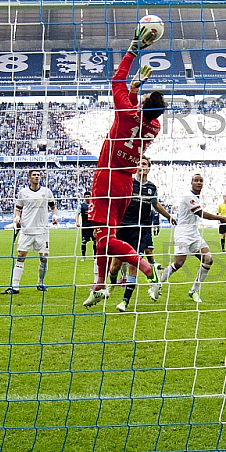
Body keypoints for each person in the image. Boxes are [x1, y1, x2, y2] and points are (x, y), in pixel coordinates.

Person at [82, 25, 166, 308]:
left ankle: (148, 269)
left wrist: (132, 51)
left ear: (143, 105)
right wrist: (134, 92)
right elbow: (138, 117)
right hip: (126, 185)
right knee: (102, 238)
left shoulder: (127, 114)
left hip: (106, 179)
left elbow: (116, 79)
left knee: (106, 241)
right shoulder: (154, 127)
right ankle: (99, 286)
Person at [149, 174, 226, 304]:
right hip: (183, 234)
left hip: (194, 234)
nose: (198, 183)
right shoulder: (188, 197)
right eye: (196, 180)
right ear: (191, 183)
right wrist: (222, 218)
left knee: (208, 259)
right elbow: (201, 213)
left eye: (201, 181)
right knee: (178, 263)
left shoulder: (196, 198)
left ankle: (194, 291)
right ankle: (157, 283)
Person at [108, 157, 175, 312]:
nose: (141, 166)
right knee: (115, 265)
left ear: (149, 168)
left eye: (144, 164)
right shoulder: (129, 183)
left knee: (134, 264)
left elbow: (155, 204)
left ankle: (125, 301)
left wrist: (168, 216)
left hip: (140, 230)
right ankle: (111, 284)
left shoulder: (151, 187)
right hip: (124, 228)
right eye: (139, 164)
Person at [2, 169, 57, 294]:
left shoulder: (46, 192)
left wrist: (54, 216)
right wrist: (17, 218)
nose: (37, 177)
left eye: (38, 175)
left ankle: (40, 283)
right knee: (21, 256)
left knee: (44, 258)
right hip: (27, 230)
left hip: (42, 230)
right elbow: (18, 209)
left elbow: (53, 207)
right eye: (34, 175)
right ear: (29, 178)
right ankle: (15, 286)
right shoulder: (23, 193)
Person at [77, 191, 96, 263]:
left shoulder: (94, 205)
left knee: (95, 242)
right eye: (86, 197)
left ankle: (95, 257)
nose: (87, 198)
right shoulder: (81, 205)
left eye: (88, 197)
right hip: (85, 227)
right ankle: (83, 257)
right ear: (84, 197)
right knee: (84, 242)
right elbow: (77, 214)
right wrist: (77, 222)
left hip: (93, 226)